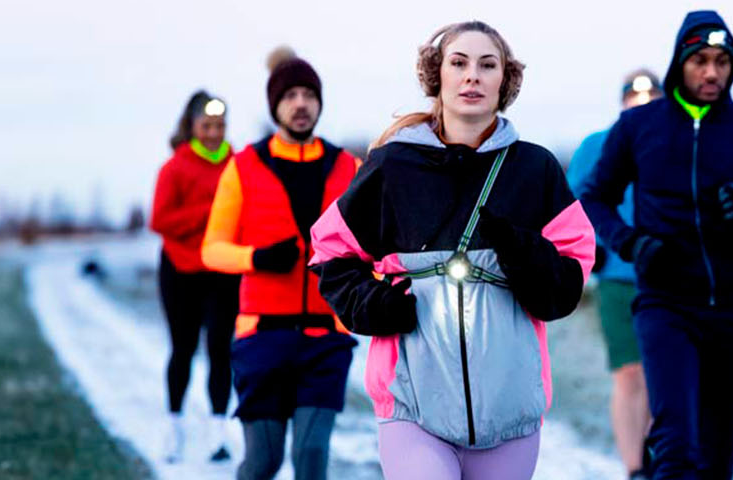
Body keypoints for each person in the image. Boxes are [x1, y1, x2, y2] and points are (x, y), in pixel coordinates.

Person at [308, 21, 594, 480]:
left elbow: (569, 277)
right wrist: (375, 304)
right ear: (435, 76)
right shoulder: (392, 167)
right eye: (458, 63)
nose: (472, 76)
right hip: (412, 408)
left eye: (487, 65)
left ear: (506, 80)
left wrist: (520, 250)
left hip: (511, 415)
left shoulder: (535, 169)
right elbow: (330, 251)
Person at [576, 10, 733, 480]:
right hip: (665, 303)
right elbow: (593, 198)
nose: (711, 72)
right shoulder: (639, 128)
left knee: (718, 453)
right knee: (675, 444)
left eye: (722, 61)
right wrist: (629, 242)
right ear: (680, 62)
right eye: (700, 59)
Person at [201, 46, 361, 480]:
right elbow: (211, 249)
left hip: (327, 336)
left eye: (309, 94)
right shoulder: (243, 167)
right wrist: (257, 257)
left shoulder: (350, 168)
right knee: (263, 462)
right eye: (290, 95)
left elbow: (372, 250)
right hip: (262, 337)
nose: (301, 103)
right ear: (276, 105)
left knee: (311, 456)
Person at [564, 68, 660, 477]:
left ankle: (663, 458)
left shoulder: (672, 147)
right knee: (629, 372)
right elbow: (571, 203)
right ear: (622, 101)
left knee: (664, 374)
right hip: (618, 278)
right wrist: (593, 249)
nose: (642, 103)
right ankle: (634, 465)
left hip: (668, 278)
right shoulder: (597, 145)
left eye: (651, 96)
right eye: (634, 96)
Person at [149, 90, 240, 463]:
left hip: (221, 272)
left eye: (220, 125)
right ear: (192, 127)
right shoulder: (175, 168)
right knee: (183, 350)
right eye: (207, 125)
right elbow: (160, 220)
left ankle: (218, 434)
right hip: (180, 272)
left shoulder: (237, 164)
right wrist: (209, 211)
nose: (215, 133)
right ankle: (175, 427)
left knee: (221, 350)